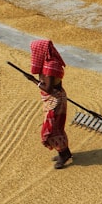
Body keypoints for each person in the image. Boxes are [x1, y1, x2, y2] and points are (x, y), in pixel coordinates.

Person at [30, 39, 73, 169]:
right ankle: (64, 152)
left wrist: (33, 80)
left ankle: (63, 155)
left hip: (55, 101)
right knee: (56, 127)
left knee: (52, 129)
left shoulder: (50, 65)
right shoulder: (49, 62)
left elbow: (48, 88)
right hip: (54, 99)